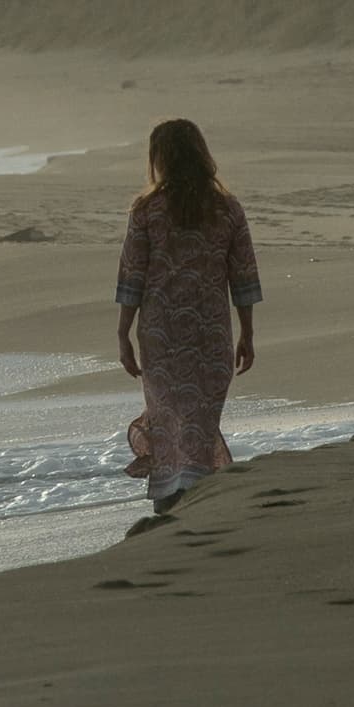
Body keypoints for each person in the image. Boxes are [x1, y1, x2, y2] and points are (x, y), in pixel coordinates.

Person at [112, 117, 260, 516]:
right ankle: (198, 503)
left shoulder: (146, 210)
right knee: (197, 422)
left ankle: (171, 505)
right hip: (210, 333)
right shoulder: (227, 208)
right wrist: (247, 332)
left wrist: (124, 333)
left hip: (161, 334)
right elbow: (243, 276)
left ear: (160, 158)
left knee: (170, 419)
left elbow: (132, 277)